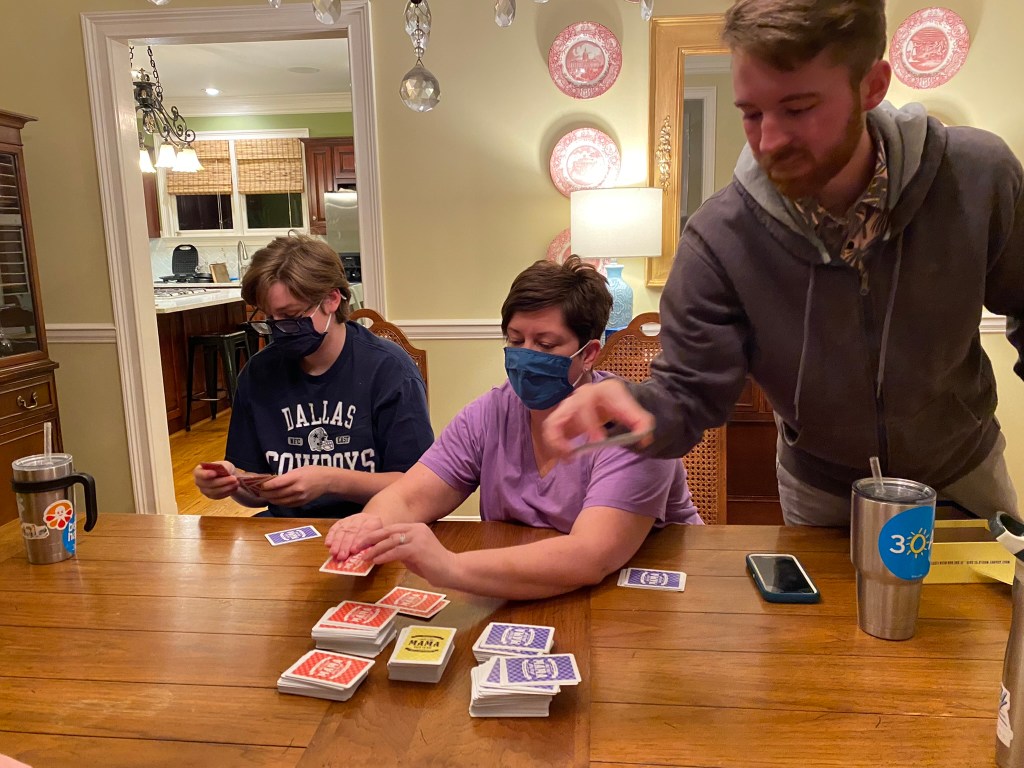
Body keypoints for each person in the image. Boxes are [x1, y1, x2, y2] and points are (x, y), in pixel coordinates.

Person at [544, 0, 1024, 526]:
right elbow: (688, 396)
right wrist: (625, 410)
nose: (768, 141)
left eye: (797, 109)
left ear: (873, 85)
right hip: (822, 496)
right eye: (751, 113)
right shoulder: (717, 238)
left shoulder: (979, 175)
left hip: (963, 476)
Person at [325, 257, 702, 599]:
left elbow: (590, 556)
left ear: (588, 354)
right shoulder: (490, 412)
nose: (525, 356)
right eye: (516, 340)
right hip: (524, 591)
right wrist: (368, 527)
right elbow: (409, 497)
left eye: (546, 343)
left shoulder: (631, 422)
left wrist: (449, 567)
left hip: (650, 600)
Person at [193, 235, 434, 517]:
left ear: (332, 299)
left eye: (291, 316)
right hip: (286, 534)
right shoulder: (258, 373)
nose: (280, 329)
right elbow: (256, 496)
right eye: (271, 320)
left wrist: (331, 481)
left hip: (373, 527)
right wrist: (232, 481)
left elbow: (418, 487)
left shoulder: (389, 370)